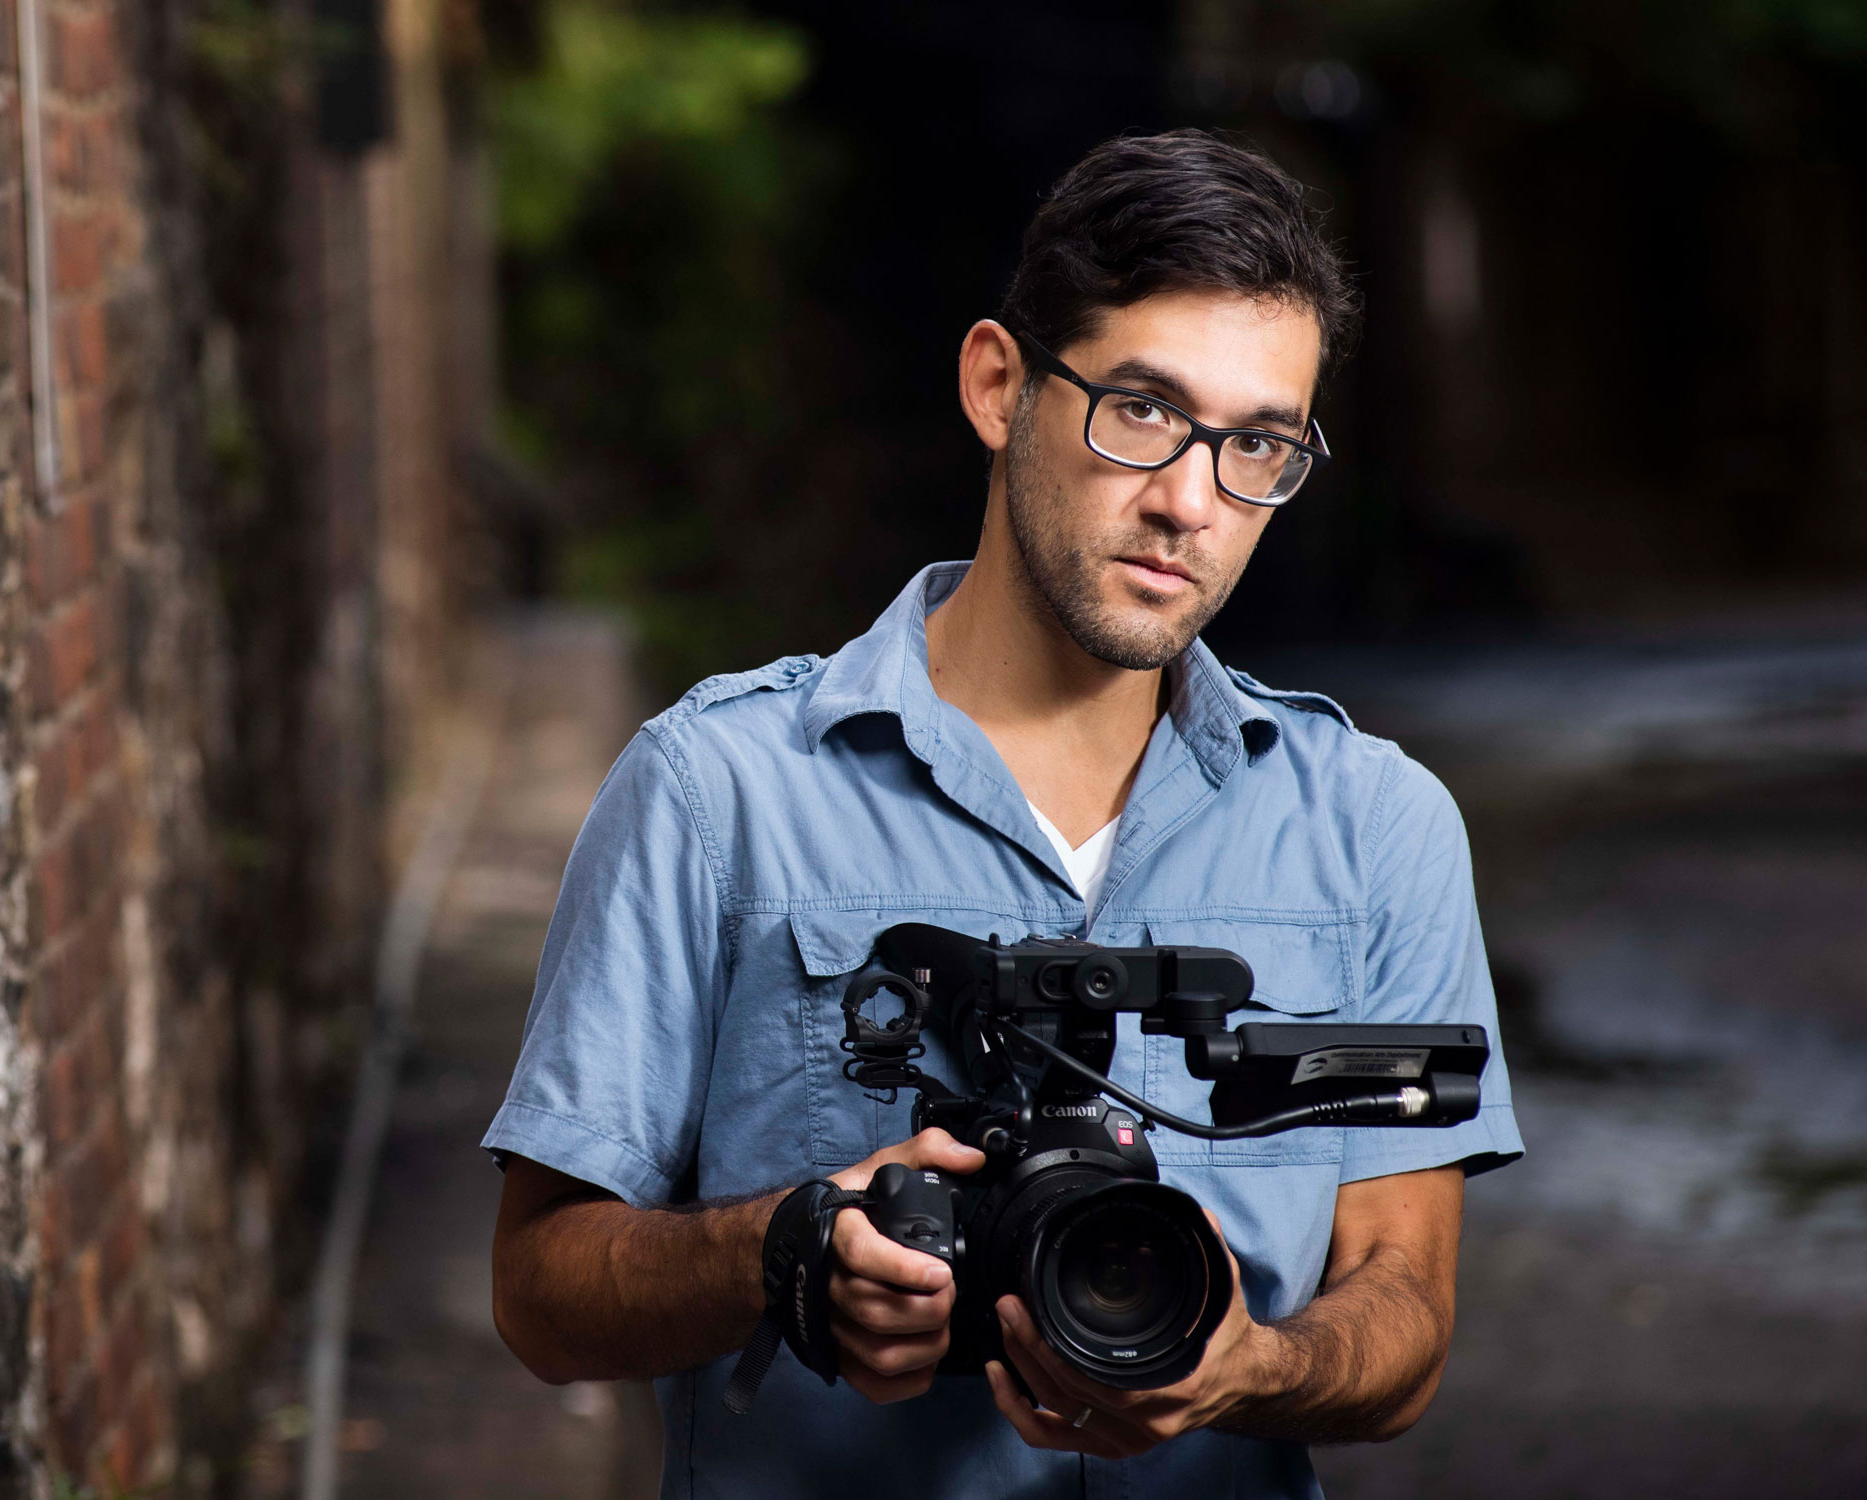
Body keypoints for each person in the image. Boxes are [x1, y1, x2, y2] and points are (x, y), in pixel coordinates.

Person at [485, 129, 1522, 1499]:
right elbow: (539, 1291)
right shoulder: (714, 792)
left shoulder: (1380, 830)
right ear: (997, 385)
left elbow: (1407, 1313)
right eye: (1142, 409)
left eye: (1258, 444)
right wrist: (789, 1248)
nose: (1189, 504)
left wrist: (1248, 1366)